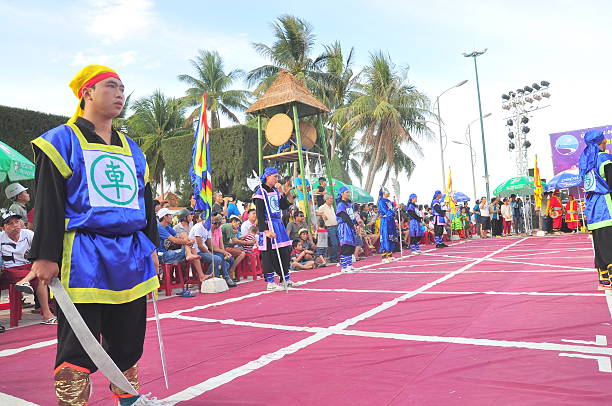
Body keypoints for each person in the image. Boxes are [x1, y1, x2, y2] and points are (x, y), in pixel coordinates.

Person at [28, 65, 162, 405]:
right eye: (111, 86)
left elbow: (145, 205)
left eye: (122, 88)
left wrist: (151, 246)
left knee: (128, 339)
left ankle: (129, 400)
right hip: (83, 255)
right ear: (87, 92)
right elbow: (49, 202)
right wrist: (45, 256)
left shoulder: (133, 149)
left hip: (131, 254)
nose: (120, 94)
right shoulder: (60, 141)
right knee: (80, 342)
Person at [1, 211, 56, 324]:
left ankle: (47, 314)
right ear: (3, 228)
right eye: (10, 223)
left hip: (29, 268)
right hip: (11, 270)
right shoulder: (1, 238)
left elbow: (41, 251)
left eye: (17, 221)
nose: (15, 225)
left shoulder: (28, 234)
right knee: (37, 275)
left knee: (41, 275)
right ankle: (24, 282)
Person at [578, 130, 612, 288]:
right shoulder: (604, 158)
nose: (606, 142)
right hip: (606, 206)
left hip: (592, 207)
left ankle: (603, 276)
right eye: (604, 140)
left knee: (599, 243)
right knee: (609, 242)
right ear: (600, 142)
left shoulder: (585, 161)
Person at [253, 167, 295, 290]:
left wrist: (284, 194)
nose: (277, 179)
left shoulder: (276, 191)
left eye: (277, 176)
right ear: (267, 177)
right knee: (269, 254)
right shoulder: (260, 192)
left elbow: (282, 206)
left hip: (278, 224)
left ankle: (285, 278)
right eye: (275, 176)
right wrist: (265, 230)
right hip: (268, 224)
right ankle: (270, 282)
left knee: (284, 251)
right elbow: (259, 213)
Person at [209, 215, 238, 287]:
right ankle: (226, 277)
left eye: (219, 223)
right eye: (215, 223)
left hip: (218, 250)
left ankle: (224, 276)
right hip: (209, 250)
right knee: (222, 256)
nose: (217, 225)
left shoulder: (218, 229)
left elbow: (221, 243)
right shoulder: (208, 230)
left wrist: (224, 252)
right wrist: (224, 252)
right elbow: (212, 247)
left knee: (230, 260)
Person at [188, 212, 219, 278]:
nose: (211, 223)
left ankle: (215, 276)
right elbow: (200, 245)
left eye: (212, 221)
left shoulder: (208, 228)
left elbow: (209, 244)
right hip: (196, 251)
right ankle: (208, 276)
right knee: (216, 259)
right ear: (203, 220)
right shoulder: (198, 227)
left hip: (202, 250)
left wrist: (220, 251)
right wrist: (210, 254)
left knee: (221, 257)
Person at [335, 187, 358, 272]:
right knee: (346, 246)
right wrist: (353, 225)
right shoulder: (341, 204)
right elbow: (345, 217)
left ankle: (349, 265)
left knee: (351, 246)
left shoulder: (349, 204)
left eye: (348, 192)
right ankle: (344, 267)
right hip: (345, 227)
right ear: (342, 194)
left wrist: (356, 224)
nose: (348, 194)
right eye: (346, 192)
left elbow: (352, 216)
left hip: (350, 226)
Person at [316, 194, 339, 263]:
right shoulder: (323, 207)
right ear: (326, 200)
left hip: (335, 226)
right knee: (334, 243)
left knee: (336, 242)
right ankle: (333, 258)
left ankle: (334, 257)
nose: (331, 200)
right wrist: (322, 214)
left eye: (332, 198)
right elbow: (316, 213)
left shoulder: (332, 206)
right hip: (329, 226)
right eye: (330, 199)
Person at [378, 187, 397, 261]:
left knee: (392, 236)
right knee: (385, 236)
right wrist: (393, 211)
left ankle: (390, 254)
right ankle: (384, 256)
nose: (388, 193)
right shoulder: (381, 201)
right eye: (387, 191)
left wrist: (396, 208)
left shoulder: (389, 201)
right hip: (385, 221)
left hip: (391, 221)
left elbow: (393, 209)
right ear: (383, 193)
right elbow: (386, 211)